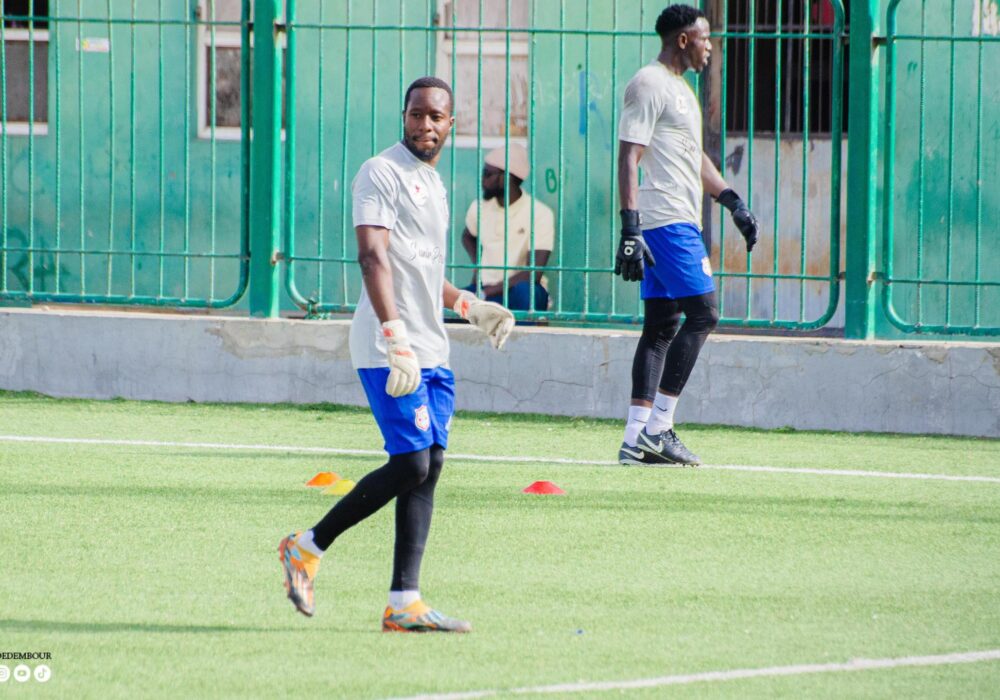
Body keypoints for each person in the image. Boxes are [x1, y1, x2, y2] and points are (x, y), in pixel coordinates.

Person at [278, 77, 515, 632]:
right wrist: (395, 338)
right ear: (403, 115)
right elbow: (373, 257)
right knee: (410, 462)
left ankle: (404, 603)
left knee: (428, 467)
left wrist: (468, 305)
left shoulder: (433, 183)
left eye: (436, 117)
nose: (425, 125)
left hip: (432, 347)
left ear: (451, 124)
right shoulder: (379, 172)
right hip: (390, 346)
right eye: (416, 114)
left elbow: (422, 269)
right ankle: (306, 547)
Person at [614, 4, 759, 466]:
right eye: (705, 37)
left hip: (676, 219)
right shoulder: (648, 83)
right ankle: (659, 429)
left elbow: (693, 158)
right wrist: (630, 227)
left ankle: (635, 439)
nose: (710, 46)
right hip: (666, 221)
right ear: (683, 40)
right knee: (705, 314)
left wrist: (732, 201)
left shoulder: (681, 91)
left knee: (661, 327)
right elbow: (629, 156)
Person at [461, 144, 554, 311]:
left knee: (527, 292)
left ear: (506, 178)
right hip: (486, 290)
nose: (482, 180)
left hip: (517, 291)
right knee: (449, 304)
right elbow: (467, 236)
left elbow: (534, 272)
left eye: (487, 174)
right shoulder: (479, 207)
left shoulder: (539, 213)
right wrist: (478, 265)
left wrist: (490, 291)